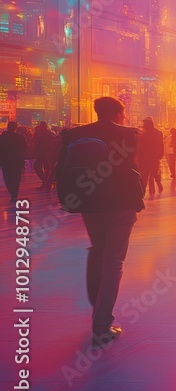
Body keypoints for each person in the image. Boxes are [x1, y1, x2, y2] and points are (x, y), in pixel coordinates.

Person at [55, 96, 144, 346]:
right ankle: (101, 325)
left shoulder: (75, 135)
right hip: (120, 205)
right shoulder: (128, 134)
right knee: (113, 263)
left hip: (89, 203)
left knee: (97, 252)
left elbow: (62, 169)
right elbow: (133, 169)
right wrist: (138, 199)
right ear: (118, 113)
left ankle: (98, 312)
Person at [0, 121, 27, 203]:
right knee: (16, 178)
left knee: (7, 177)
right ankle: (14, 194)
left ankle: (12, 191)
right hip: (17, 160)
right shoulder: (20, 137)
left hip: (5, 160)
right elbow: (24, 148)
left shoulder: (2, 137)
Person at [137, 118, 164, 196]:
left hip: (146, 158)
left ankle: (143, 192)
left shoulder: (144, 135)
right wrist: (160, 154)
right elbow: (161, 145)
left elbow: (141, 147)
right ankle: (157, 184)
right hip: (154, 157)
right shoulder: (157, 133)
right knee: (154, 172)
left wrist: (139, 158)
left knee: (145, 176)